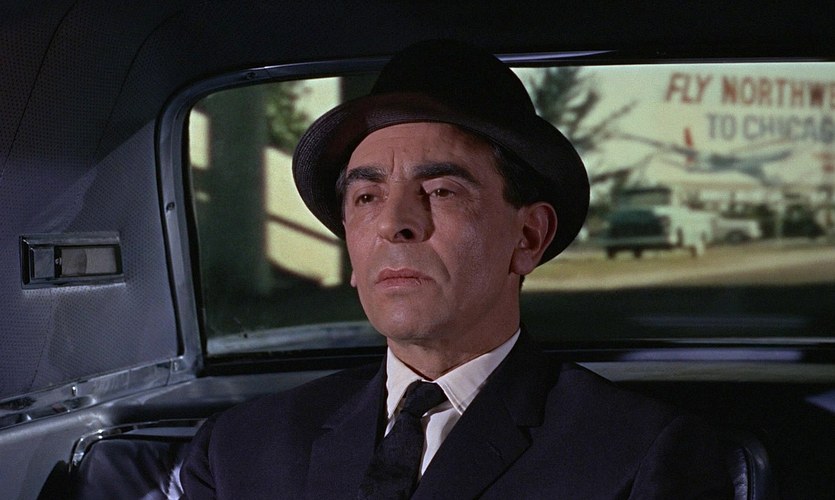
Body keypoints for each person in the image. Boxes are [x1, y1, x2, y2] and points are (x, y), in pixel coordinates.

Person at [181, 39, 732, 499]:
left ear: (528, 237)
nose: (394, 224)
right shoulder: (239, 451)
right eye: (367, 197)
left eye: (441, 190)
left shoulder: (636, 455)